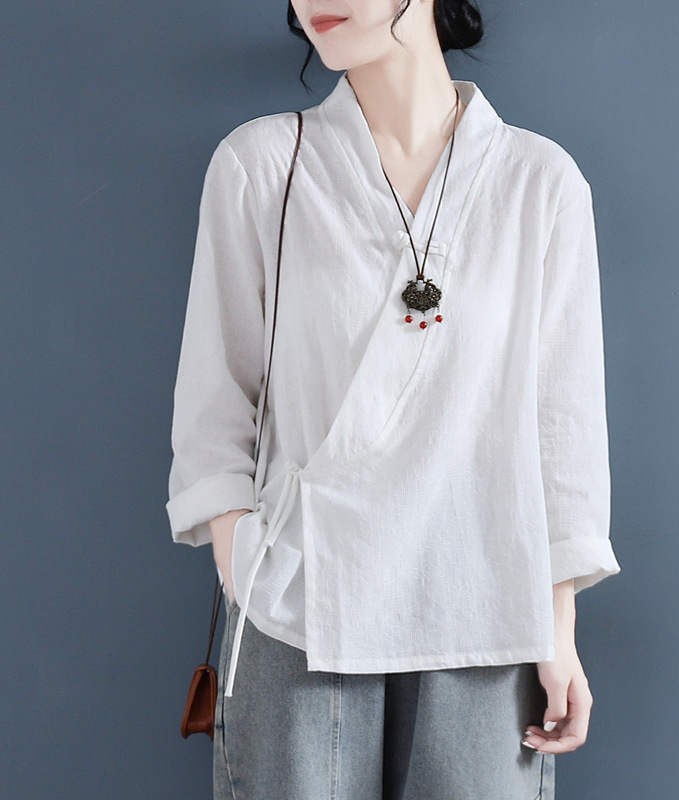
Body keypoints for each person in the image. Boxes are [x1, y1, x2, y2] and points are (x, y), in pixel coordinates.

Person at [166, 1, 621, 797]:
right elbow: (216, 401)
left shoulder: (538, 181)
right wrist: (248, 568)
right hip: (299, 604)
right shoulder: (264, 165)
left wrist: (558, 624)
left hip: (485, 607)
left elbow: (564, 426)